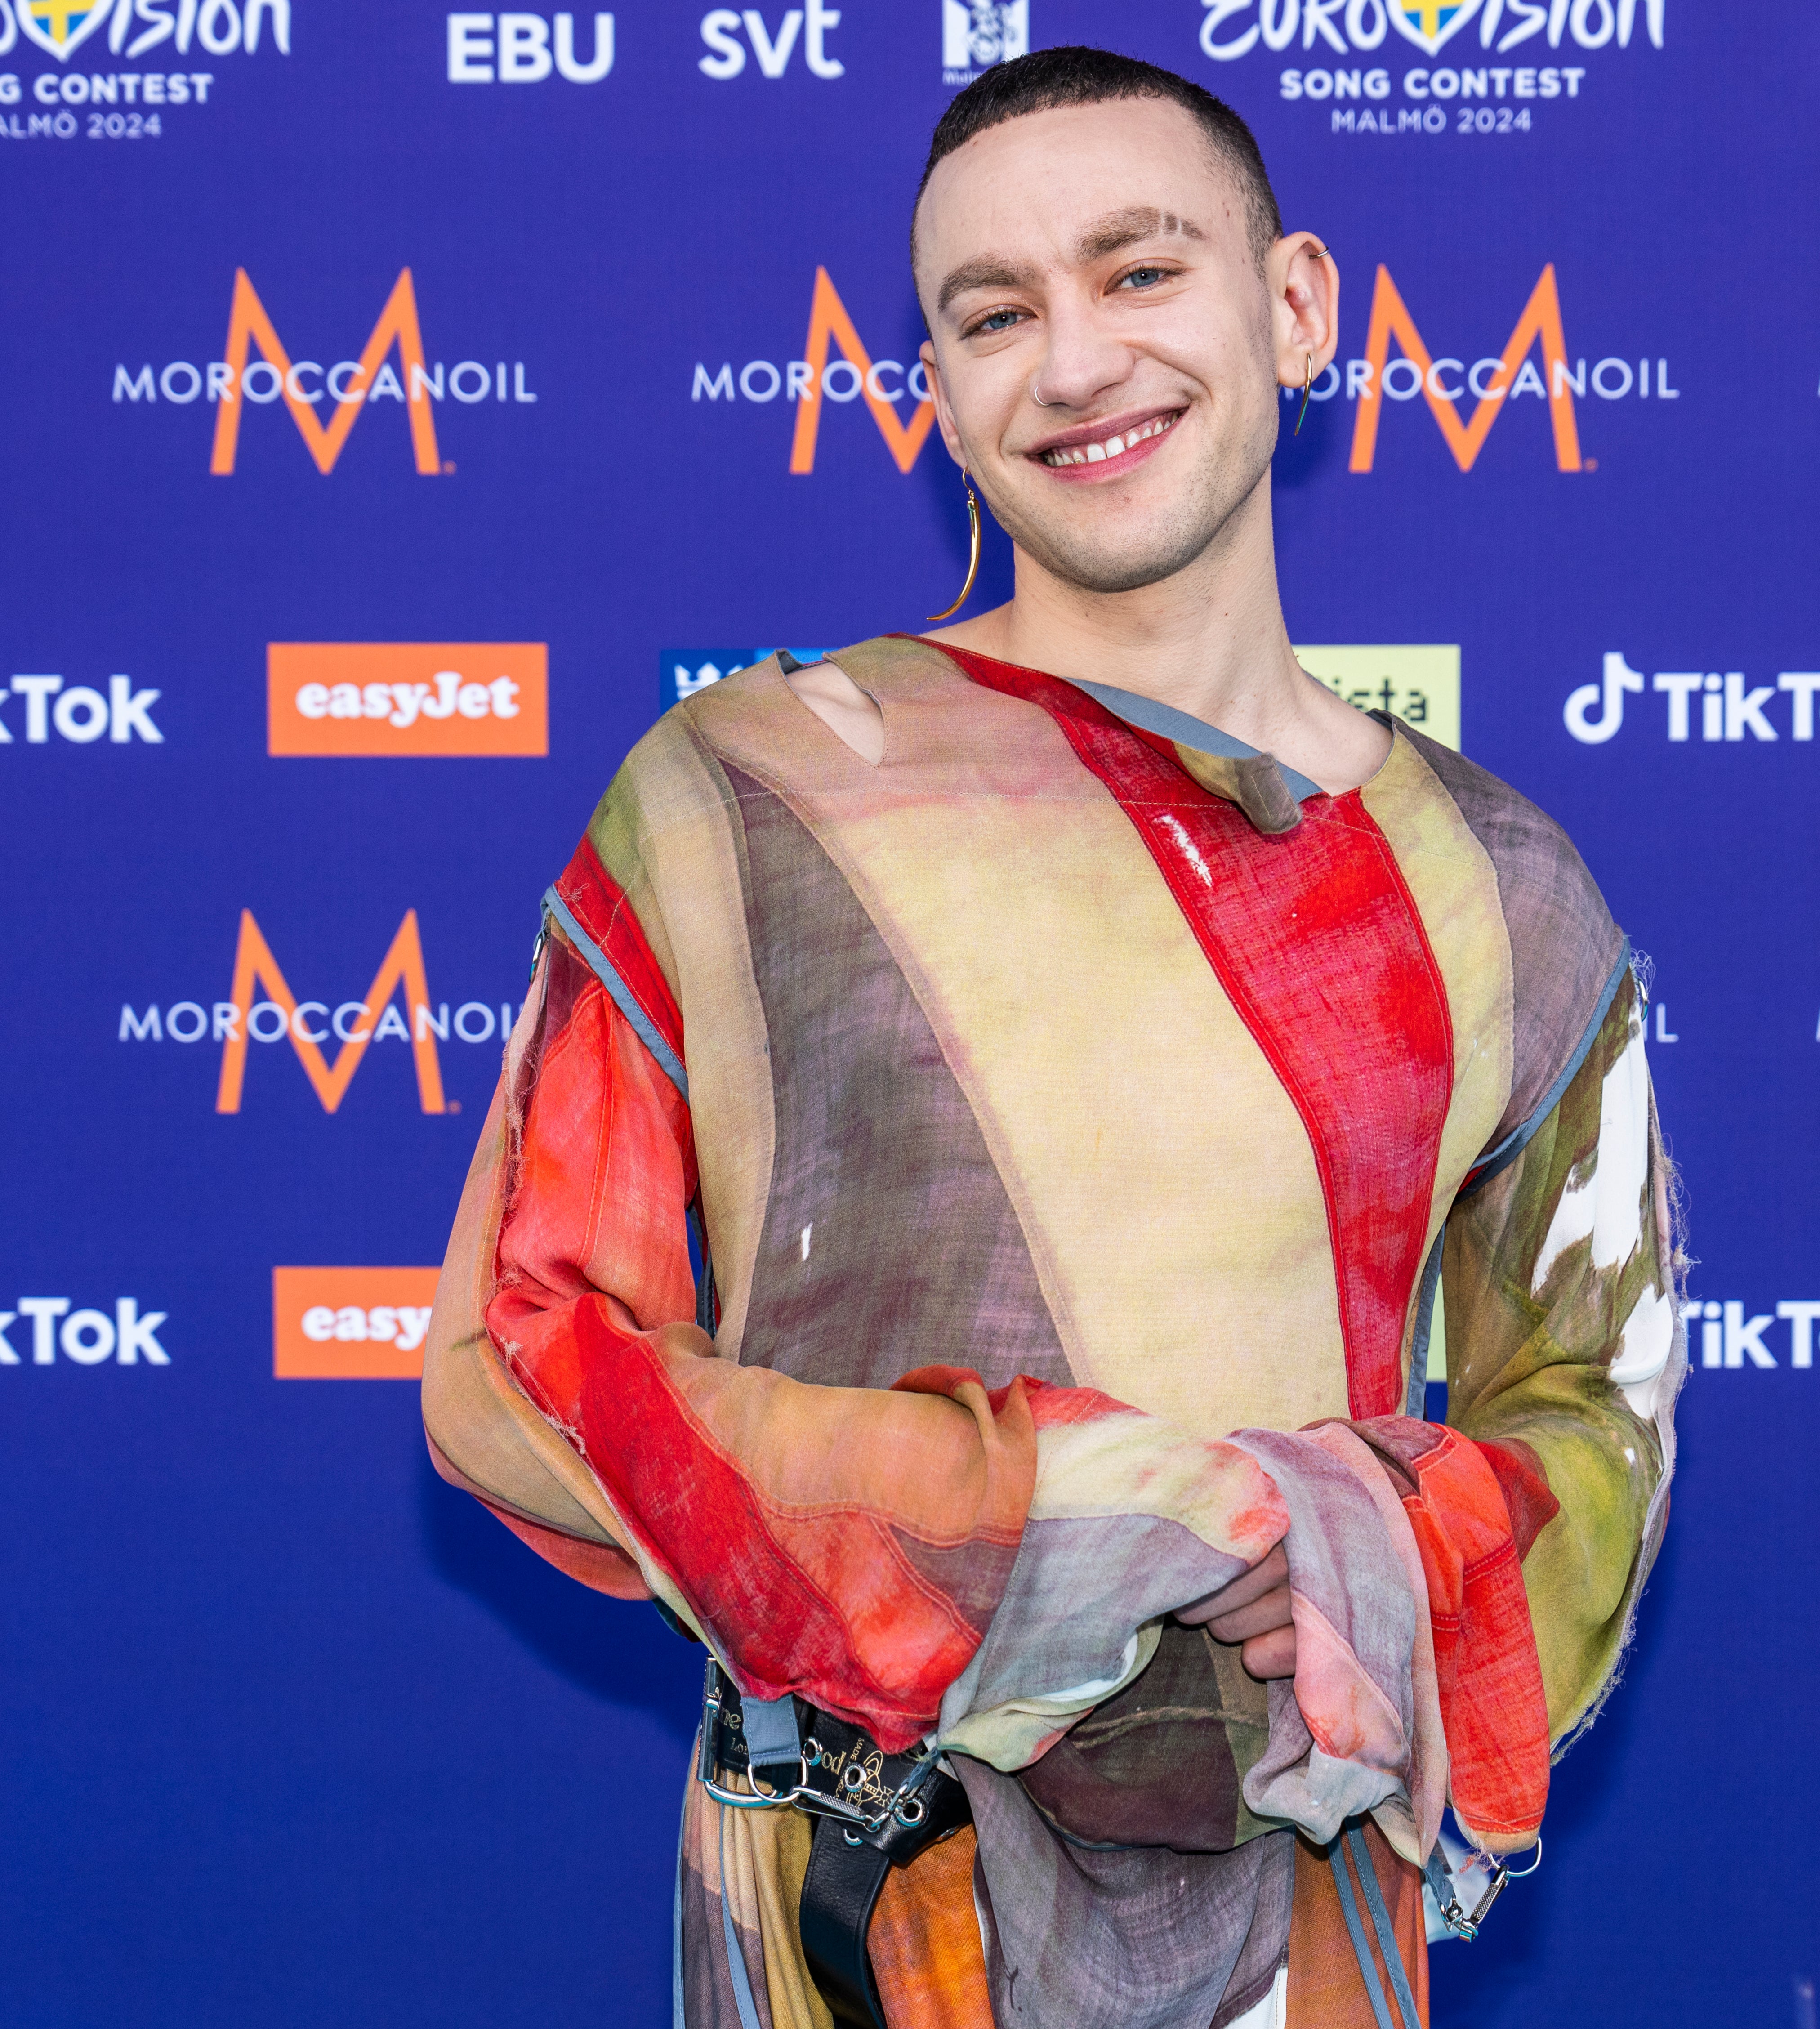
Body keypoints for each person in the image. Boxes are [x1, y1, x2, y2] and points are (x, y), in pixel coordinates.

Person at [421, 45, 1684, 2029]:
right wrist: (1061, 1529)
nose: (1073, 362)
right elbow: (509, 1368)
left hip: (1297, 1936)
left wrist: (1355, 1555)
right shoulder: (739, 801)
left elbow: (1591, 1418)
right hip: (845, 1915)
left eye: (1139, 272)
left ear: (1295, 308)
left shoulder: (1496, 886)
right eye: (992, 314)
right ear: (933, 387)